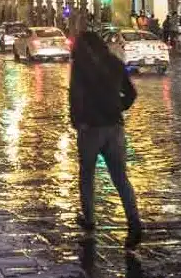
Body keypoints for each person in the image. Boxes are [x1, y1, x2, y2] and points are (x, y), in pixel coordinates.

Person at [69, 31, 142, 249]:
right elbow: (131, 93)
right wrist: (119, 107)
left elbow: (75, 96)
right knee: (121, 178)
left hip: (90, 127)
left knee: (87, 175)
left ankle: (90, 219)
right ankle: (134, 220)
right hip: (114, 127)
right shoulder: (114, 63)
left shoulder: (81, 66)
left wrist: (77, 120)